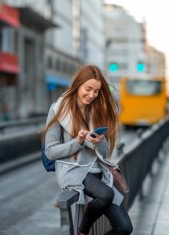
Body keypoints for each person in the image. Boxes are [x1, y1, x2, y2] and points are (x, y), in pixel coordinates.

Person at [43, 65, 133, 235]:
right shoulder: (58, 109)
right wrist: (77, 142)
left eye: (96, 91)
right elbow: (50, 152)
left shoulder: (95, 111)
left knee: (125, 228)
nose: (92, 95)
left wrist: (99, 141)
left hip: (99, 172)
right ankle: (82, 231)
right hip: (74, 171)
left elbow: (104, 154)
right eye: (88, 89)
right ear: (78, 85)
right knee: (105, 195)